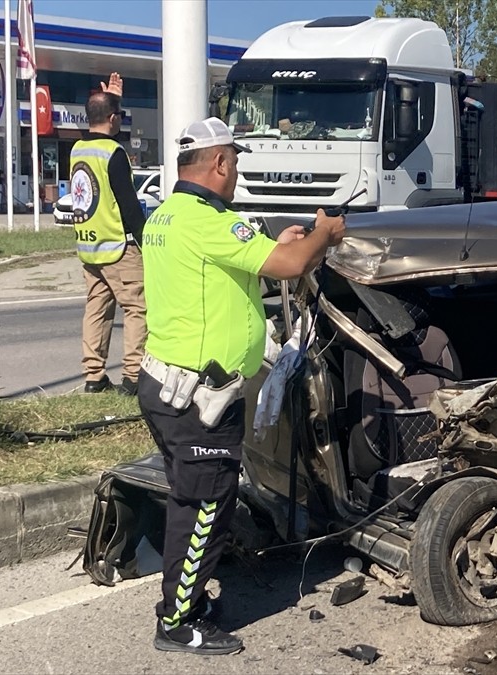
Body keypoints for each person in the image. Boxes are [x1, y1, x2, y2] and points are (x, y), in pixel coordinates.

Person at [139, 117, 346, 655]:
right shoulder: (211, 221)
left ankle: (187, 600)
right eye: (236, 162)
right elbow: (295, 263)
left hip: (168, 387)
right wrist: (325, 233)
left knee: (196, 498)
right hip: (198, 399)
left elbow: (223, 272)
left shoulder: (165, 217)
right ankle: (178, 621)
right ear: (220, 163)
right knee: (205, 505)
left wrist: (268, 245)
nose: (236, 174)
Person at [70, 73, 146, 395]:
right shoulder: (113, 154)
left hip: (89, 248)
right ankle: (132, 376)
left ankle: (94, 376)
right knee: (137, 308)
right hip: (118, 248)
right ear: (114, 119)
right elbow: (129, 206)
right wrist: (146, 242)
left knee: (97, 309)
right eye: (119, 116)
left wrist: (113, 99)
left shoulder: (77, 149)